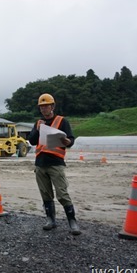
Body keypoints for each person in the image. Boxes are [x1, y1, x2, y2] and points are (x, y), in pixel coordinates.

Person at [28, 93, 81, 235]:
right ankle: (50, 220)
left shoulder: (62, 121)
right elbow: (32, 141)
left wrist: (68, 142)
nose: (44, 109)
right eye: (41, 107)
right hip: (40, 163)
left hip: (56, 163)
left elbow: (70, 139)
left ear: (52, 106)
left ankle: (72, 222)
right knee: (46, 194)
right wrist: (38, 130)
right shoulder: (38, 123)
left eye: (46, 106)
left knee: (62, 193)